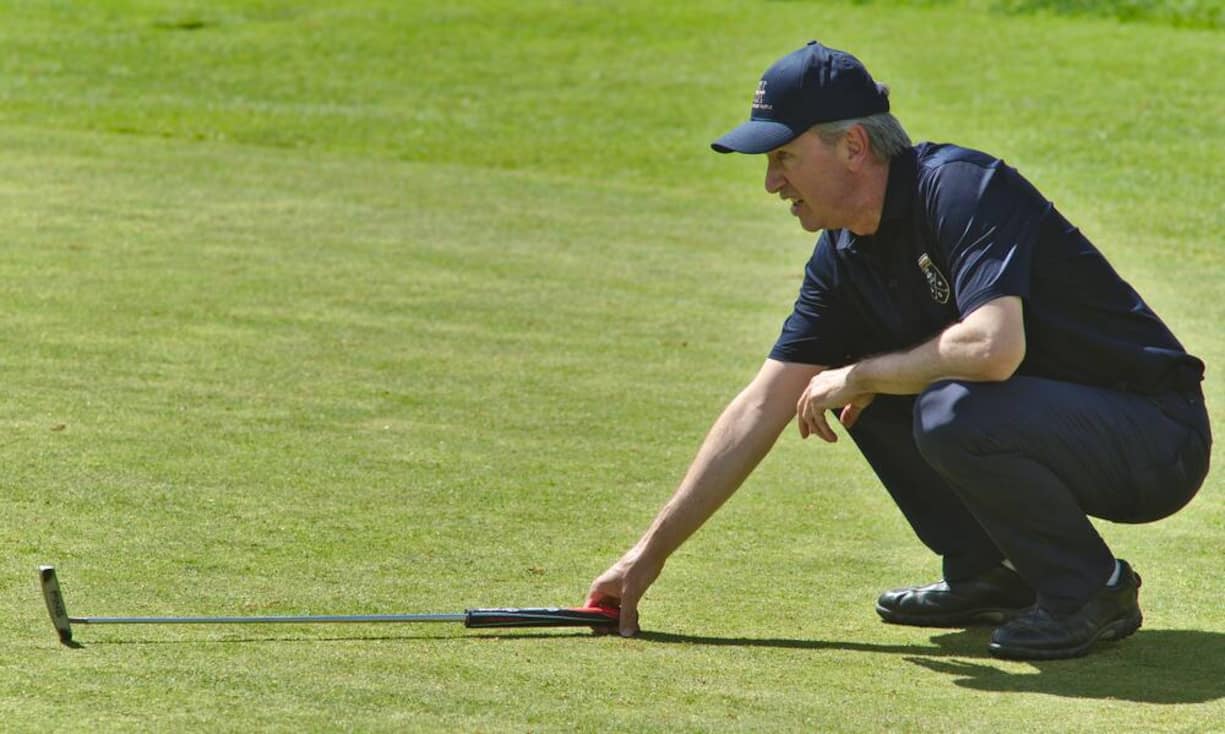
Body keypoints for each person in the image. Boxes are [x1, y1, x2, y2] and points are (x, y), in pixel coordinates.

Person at [585, 41, 1212, 660]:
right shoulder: (841, 257)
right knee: (871, 389)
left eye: (784, 156)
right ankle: (992, 574)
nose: (772, 182)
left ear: (853, 147)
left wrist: (861, 374)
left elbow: (995, 348)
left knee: (927, 400)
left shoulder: (961, 188)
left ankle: (1090, 590)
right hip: (1058, 429)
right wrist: (647, 555)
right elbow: (762, 404)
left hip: (1155, 437)